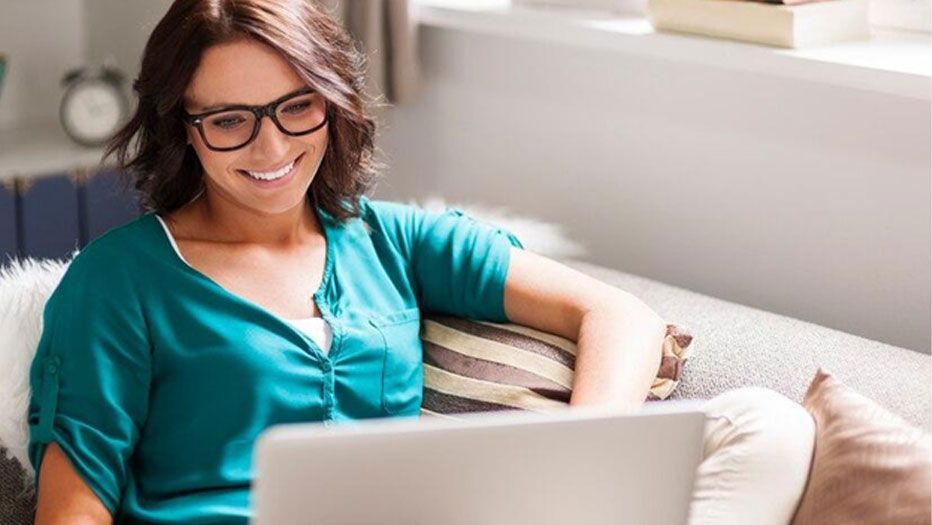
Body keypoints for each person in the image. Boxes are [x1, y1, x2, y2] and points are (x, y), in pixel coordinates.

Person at [26, 1, 815, 524]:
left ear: (334, 104)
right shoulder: (121, 278)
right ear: (183, 128)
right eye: (231, 120)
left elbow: (617, 316)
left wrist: (579, 467)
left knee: (766, 424)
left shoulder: (394, 239)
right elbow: (73, 509)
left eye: (298, 106)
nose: (271, 148)